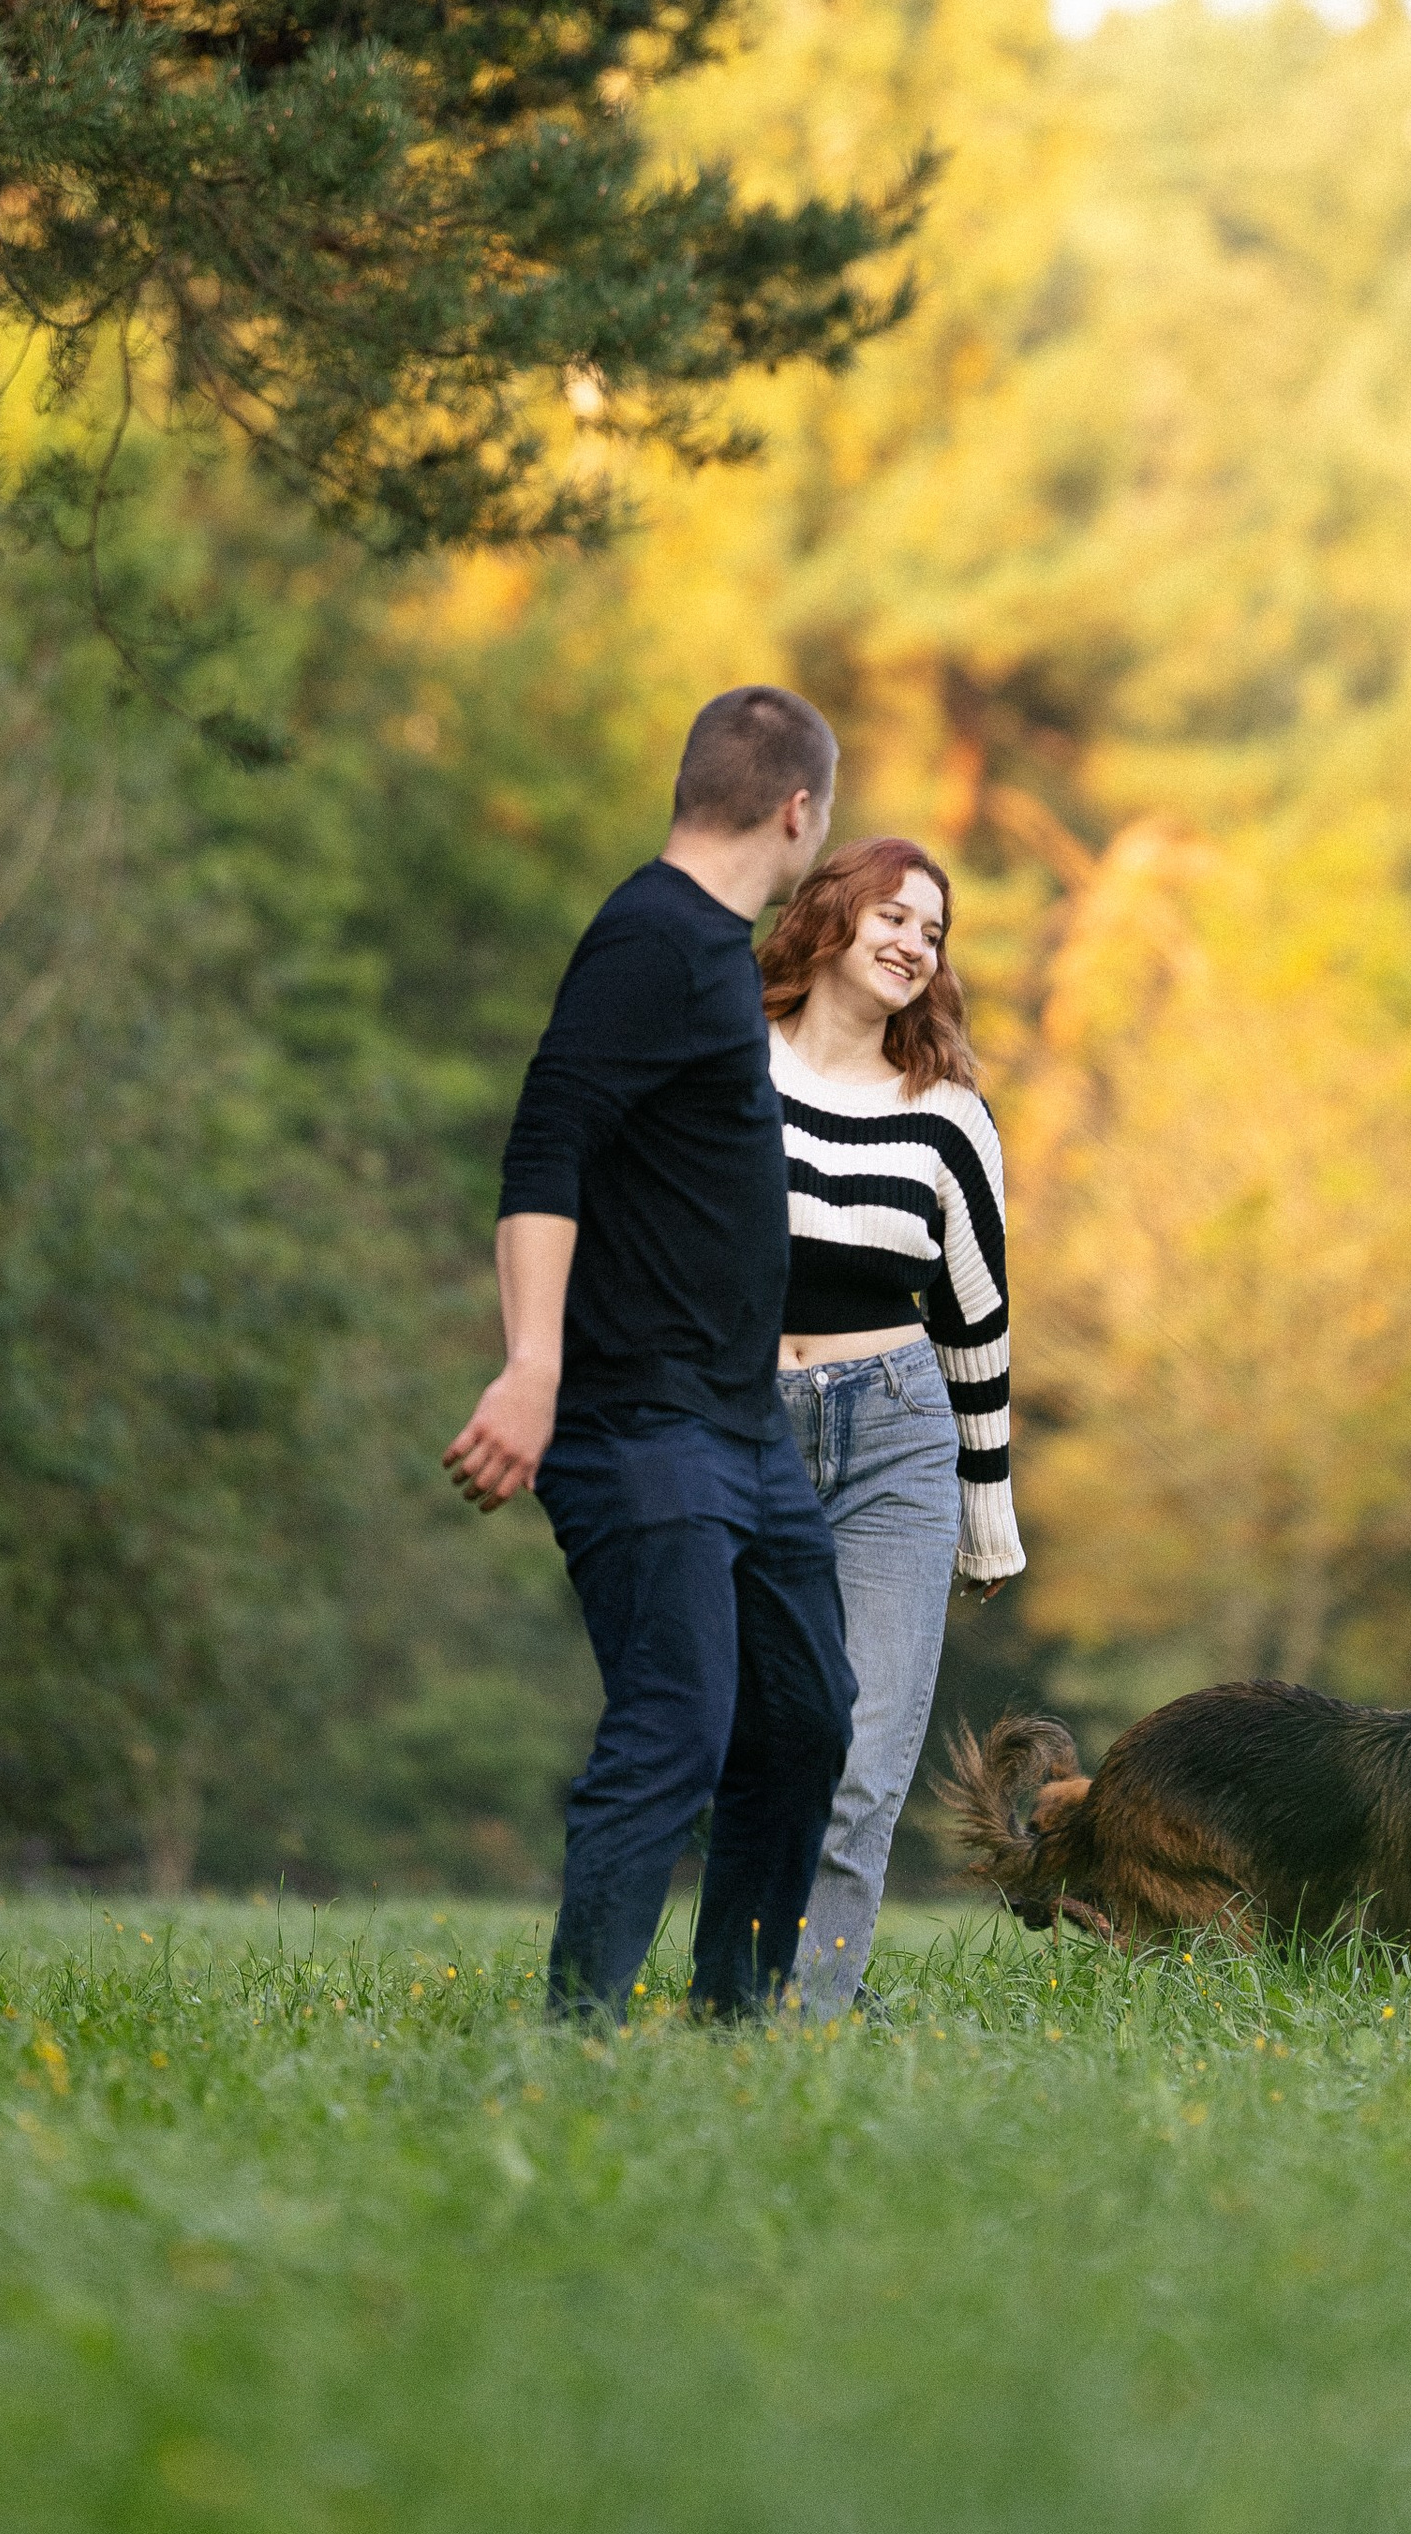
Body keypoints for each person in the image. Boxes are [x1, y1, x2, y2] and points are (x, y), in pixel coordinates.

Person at [442, 684, 855, 2026]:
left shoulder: (708, 952)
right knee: (676, 1724)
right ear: (799, 811)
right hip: (639, 1419)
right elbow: (543, 1145)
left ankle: (739, 2013)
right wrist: (532, 1367)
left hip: (739, 1426)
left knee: (802, 1715)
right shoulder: (650, 938)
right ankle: (580, 2035)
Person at [758, 837, 1023, 2018]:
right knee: (754, 1732)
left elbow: (977, 1320)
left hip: (897, 1431)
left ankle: (806, 2014)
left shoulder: (949, 1118)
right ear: (831, 915)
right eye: (896, 915)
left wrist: (989, 1513)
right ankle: (750, 1975)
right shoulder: (728, 1062)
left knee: (866, 1758)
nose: (917, 942)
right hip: (739, 1422)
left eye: (937, 930)